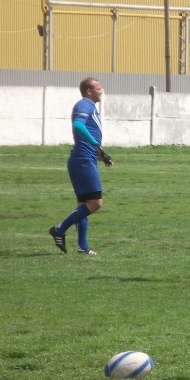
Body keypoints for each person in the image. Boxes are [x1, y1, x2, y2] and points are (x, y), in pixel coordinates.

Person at [48, 77, 113, 255]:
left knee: (83, 205)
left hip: (83, 159)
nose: (102, 91)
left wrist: (101, 154)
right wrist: (95, 145)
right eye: (98, 88)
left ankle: (83, 247)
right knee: (96, 203)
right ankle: (59, 229)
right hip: (83, 160)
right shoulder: (85, 104)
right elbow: (78, 125)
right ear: (89, 91)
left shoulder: (90, 107)